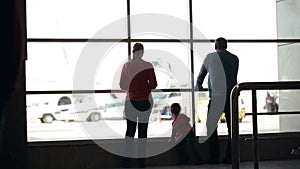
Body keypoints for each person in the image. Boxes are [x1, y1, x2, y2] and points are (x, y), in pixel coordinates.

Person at [196, 37, 239, 164]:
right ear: (226, 46)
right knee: (232, 128)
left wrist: (200, 86)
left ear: (215, 46)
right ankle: (230, 157)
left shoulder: (210, 57)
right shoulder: (234, 58)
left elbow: (200, 77)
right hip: (231, 96)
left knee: (211, 128)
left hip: (216, 97)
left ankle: (214, 157)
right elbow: (233, 76)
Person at [119, 43, 157, 168]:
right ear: (142, 52)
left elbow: (122, 85)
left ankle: (126, 162)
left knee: (130, 131)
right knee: (142, 133)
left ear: (133, 52)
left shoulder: (127, 66)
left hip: (130, 102)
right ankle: (141, 163)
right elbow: (153, 85)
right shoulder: (148, 65)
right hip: (144, 102)